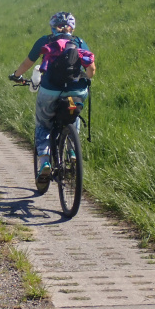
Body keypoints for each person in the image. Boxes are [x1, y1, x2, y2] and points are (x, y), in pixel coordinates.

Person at [12, 11, 96, 186]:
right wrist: (85, 78)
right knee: (73, 115)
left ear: (52, 26)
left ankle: (45, 163)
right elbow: (92, 69)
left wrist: (16, 75)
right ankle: (72, 151)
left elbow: (28, 63)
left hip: (50, 90)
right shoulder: (79, 42)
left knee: (43, 123)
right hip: (75, 91)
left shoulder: (45, 41)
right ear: (72, 27)